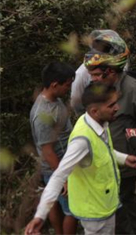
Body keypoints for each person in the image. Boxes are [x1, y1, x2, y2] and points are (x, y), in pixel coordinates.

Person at [25, 83, 136, 235]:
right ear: (95, 111)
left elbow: (102, 150)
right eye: (112, 105)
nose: (117, 108)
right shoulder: (81, 141)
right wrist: (40, 216)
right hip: (95, 215)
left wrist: (124, 158)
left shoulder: (100, 122)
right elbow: (59, 176)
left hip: (106, 204)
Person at [84, 30, 136, 235]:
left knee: (121, 208)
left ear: (110, 72)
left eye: (95, 74)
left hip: (125, 162)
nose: (92, 80)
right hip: (110, 160)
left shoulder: (133, 90)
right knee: (125, 204)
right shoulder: (103, 89)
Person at [29, 62, 77, 235]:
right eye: (67, 85)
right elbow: (47, 151)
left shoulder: (54, 101)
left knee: (56, 205)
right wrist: (62, 177)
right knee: (71, 211)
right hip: (56, 167)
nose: (68, 89)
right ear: (54, 84)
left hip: (60, 166)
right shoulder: (43, 114)